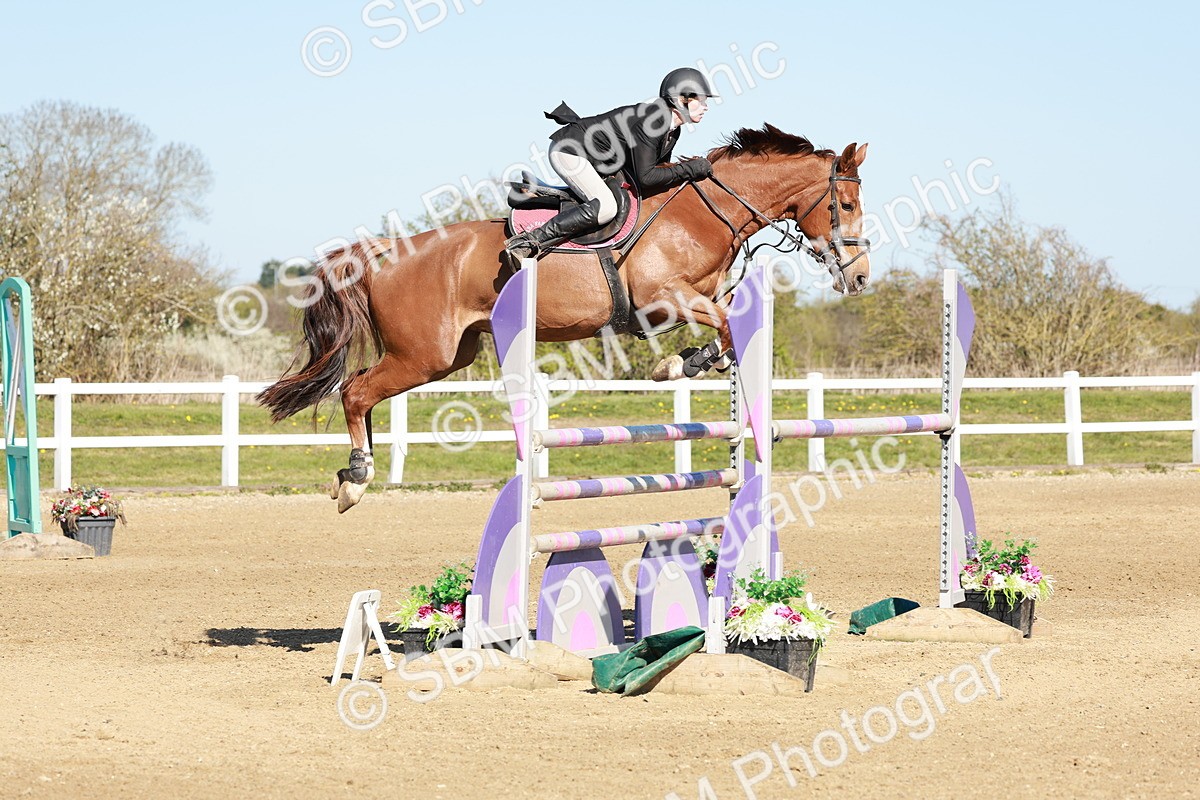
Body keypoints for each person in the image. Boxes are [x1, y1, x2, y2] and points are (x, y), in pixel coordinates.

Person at [504, 67, 718, 262]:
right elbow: (647, 177)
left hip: (597, 160)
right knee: (606, 207)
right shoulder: (654, 119)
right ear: (681, 99)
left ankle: (541, 196)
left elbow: (658, 173)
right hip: (571, 151)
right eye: (702, 100)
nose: (706, 107)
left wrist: (688, 174)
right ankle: (530, 241)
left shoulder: (673, 130)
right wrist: (690, 169)